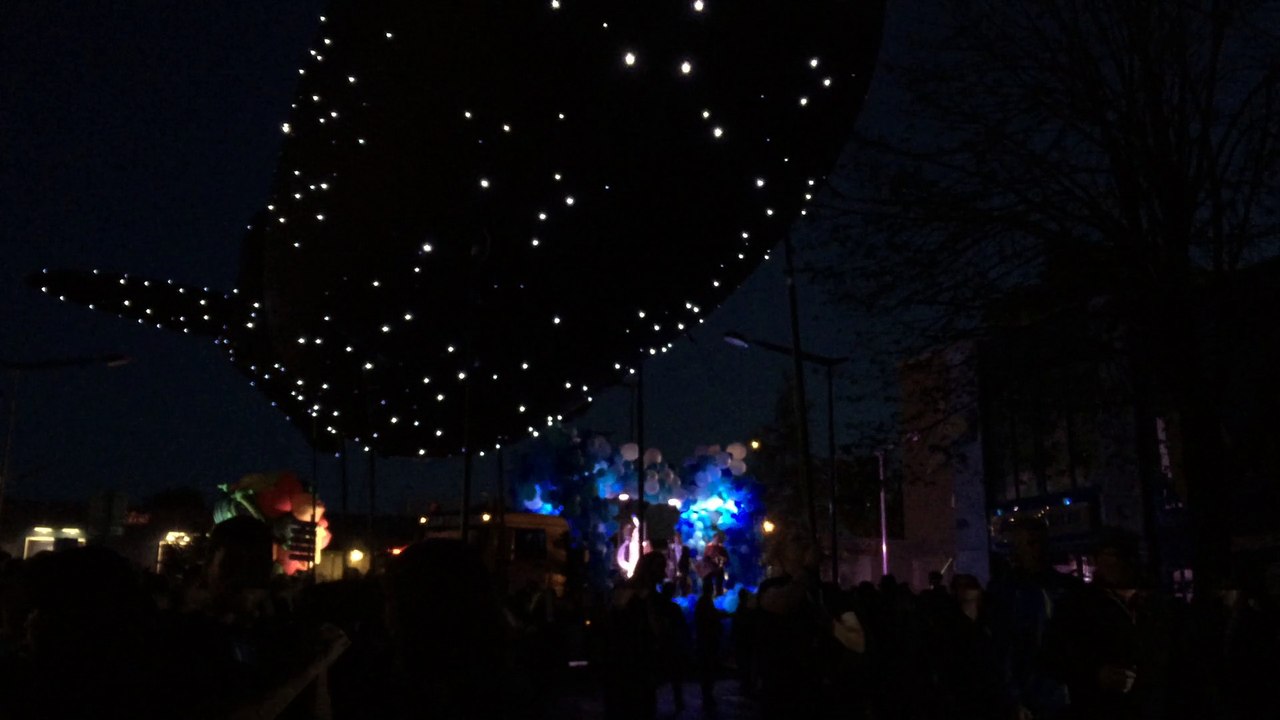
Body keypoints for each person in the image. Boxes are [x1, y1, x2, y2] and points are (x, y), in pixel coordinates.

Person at [1046, 527, 1173, 720]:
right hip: (1102, 708)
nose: (1123, 562)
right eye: (1115, 554)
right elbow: (1055, 658)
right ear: (1097, 560)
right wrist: (1095, 675)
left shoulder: (1160, 604)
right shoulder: (1077, 605)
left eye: (1129, 554)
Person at [987, 518, 1081, 719]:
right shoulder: (1006, 591)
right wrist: (1014, 697)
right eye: (1031, 543)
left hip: (1062, 690)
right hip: (1034, 692)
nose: (1037, 550)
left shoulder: (1066, 587)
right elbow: (1002, 648)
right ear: (1018, 549)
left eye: (1041, 543)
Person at [695, 577, 729, 716]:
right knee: (708, 669)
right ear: (710, 589)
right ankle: (707, 698)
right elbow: (711, 616)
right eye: (712, 587)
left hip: (705, 640)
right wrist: (725, 614)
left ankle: (708, 697)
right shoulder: (705, 602)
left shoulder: (704, 601)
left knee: (707, 669)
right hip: (707, 641)